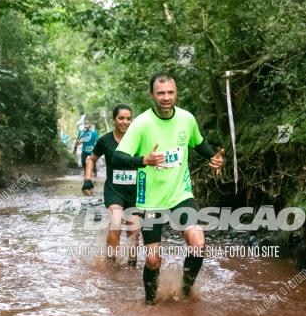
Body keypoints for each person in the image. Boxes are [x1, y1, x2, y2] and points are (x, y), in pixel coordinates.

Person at [113, 73, 224, 304]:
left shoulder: (186, 118)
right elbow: (118, 157)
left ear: (176, 93)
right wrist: (144, 160)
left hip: (180, 194)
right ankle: (150, 303)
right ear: (152, 95)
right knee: (153, 260)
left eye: (170, 92)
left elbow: (198, 142)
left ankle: (185, 291)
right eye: (161, 93)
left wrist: (212, 157)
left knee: (198, 243)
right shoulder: (141, 124)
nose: (166, 98)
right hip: (150, 200)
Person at [82, 105, 140, 267]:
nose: (125, 122)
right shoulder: (105, 140)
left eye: (128, 118)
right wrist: (88, 179)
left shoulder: (139, 138)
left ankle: (132, 267)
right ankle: (111, 266)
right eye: (121, 118)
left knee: (134, 233)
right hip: (114, 191)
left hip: (135, 192)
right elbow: (91, 159)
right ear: (114, 120)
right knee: (115, 223)